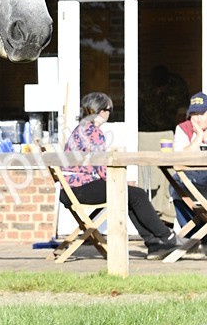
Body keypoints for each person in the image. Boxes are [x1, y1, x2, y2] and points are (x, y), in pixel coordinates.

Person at [62, 91, 197, 257]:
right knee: (137, 194)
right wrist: (121, 182)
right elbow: (102, 167)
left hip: (73, 188)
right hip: (80, 188)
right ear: (102, 111)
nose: (109, 113)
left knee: (130, 195)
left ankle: (154, 244)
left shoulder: (81, 129)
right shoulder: (93, 133)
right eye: (109, 110)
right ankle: (167, 237)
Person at [171, 91, 207, 231]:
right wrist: (198, 137)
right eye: (194, 114)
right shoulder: (183, 128)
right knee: (176, 183)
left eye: (202, 114)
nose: (198, 119)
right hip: (189, 177)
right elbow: (179, 159)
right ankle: (192, 234)